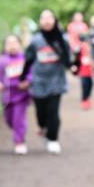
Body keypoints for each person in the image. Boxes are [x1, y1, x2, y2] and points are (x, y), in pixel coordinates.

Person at [23, 10, 72, 155]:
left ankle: (53, 139)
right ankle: (43, 127)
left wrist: (74, 66)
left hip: (56, 80)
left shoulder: (63, 39)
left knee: (53, 111)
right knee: (41, 112)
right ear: (40, 21)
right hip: (39, 80)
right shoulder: (36, 39)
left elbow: (68, 58)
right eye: (43, 18)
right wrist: (23, 77)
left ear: (55, 20)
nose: (47, 21)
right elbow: (28, 59)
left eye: (50, 17)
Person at [0, 34, 33, 155]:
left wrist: (28, 82)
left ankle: (19, 141)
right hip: (7, 95)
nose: (12, 46)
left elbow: (32, 73)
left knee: (18, 119)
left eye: (15, 43)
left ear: (20, 45)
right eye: (9, 43)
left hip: (21, 95)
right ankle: (18, 129)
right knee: (9, 120)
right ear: (4, 47)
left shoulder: (25, 58)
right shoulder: (2, 60)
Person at [73, 37, 94, 110]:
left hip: (89, 70)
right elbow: (76, 58)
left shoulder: (89, 47)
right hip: (83, 70)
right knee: (85, 85)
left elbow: (91, 57)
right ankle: (84, 100)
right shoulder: (79, 47)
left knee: (90, 84)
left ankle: (87, 98)